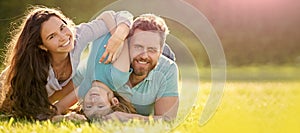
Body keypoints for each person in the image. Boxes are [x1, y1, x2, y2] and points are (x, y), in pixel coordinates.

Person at [0, 6, 133, 120]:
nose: (63, 37)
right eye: (52, 36)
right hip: (8, 96)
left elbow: (121, 16)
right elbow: (31, 113)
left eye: (63, 28)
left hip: (48, 100)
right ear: (42, 46)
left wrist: (118, 38)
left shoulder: (77, 37)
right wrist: (59, 117)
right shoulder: (34, 70)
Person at [103, 14, 179, 121]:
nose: (144, 55)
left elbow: (167, 120)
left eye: (152, 49)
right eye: (138, 47)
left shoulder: (168, 68)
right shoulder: (112, 60)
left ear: (161, 51)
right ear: (128, 45)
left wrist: (126, 118)